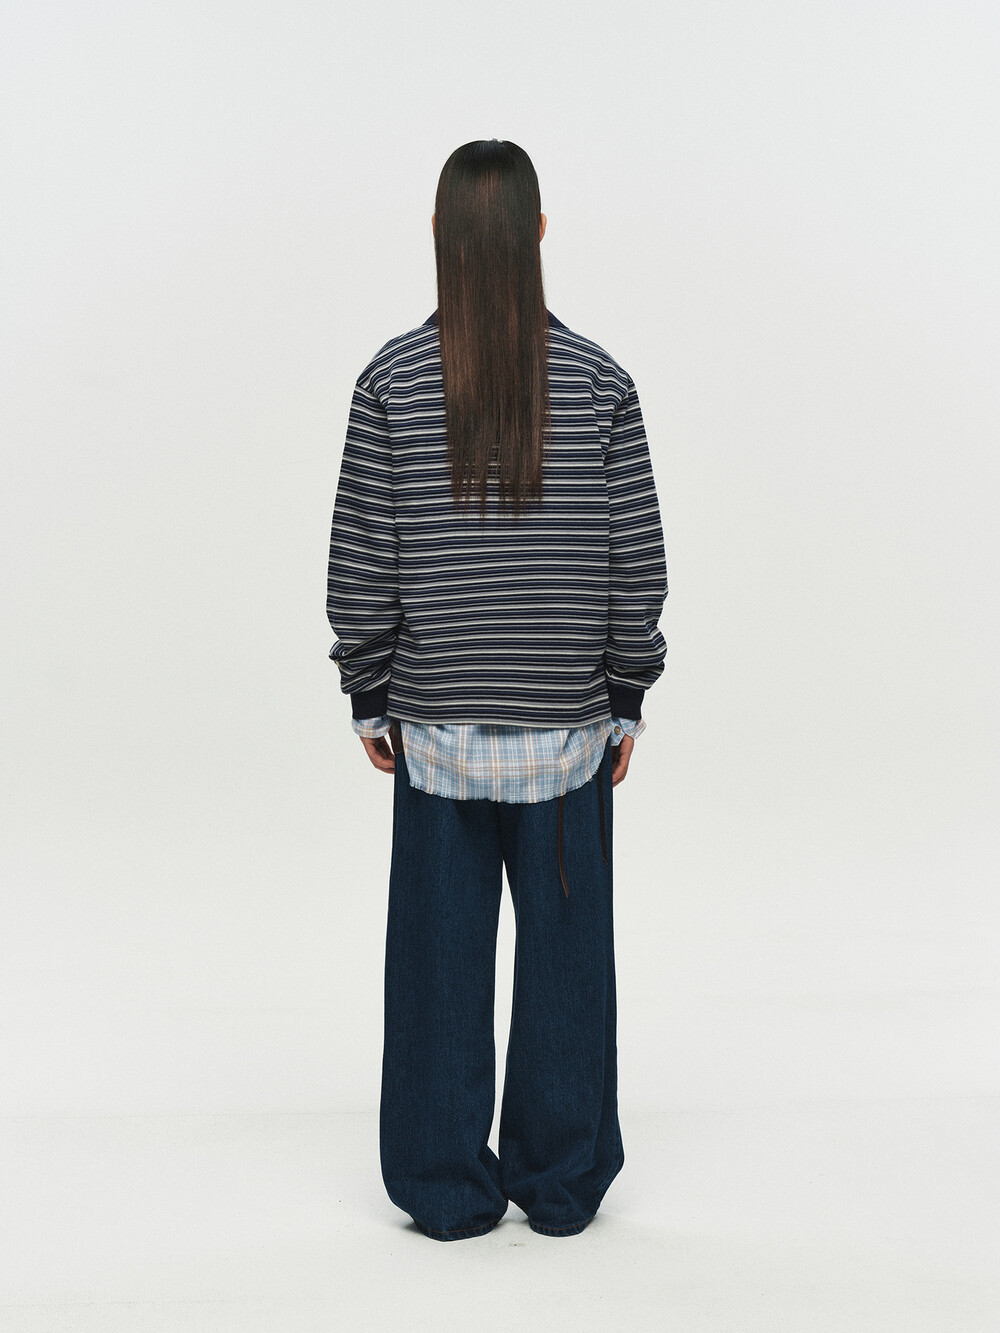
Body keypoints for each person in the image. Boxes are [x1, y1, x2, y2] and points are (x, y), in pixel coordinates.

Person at [326, 139, 668, 1241]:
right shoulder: (602, 382)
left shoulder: (388, 382)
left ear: (438, 236)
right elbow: (635, 560)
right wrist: (627, 690)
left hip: (434, 729)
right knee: (569, 968)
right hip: (566, 732)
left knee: (436, 966)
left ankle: (442, 1185)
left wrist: (368, 686)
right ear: (537, 235)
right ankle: (560, 1183)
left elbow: (363, 557)